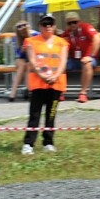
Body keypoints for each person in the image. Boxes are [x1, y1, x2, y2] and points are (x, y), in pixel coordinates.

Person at [21, 14, 68, 155]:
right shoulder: (31, 41)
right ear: (39, 26)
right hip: (38, 84)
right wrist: (42, 76)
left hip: (56, 84)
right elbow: (32, 61)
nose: (47, 26)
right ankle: (28, 144)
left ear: (54, 26)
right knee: (34, 114)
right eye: (44, 24)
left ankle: (48, 142)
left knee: (51, 115)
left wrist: (55, 76)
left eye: (50, 24)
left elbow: (63, 62)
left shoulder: (62, 43)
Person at [60, 11, 100, 103]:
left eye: (75, 22)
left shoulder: (86, 27)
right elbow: (59, 47)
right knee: (59, 65)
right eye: (70, 23)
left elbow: (97, 39)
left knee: (87, 64)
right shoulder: (66, 33)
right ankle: (60, 92)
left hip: (88, 58)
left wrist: (91, 56)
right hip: (73, 59)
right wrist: (62, 41)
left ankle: (83, 93)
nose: (72, 25)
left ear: (79, 22)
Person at [9, 20, 37, 102]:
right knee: (22, 65)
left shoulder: (35, 35)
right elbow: (18, 54)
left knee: (28, 65)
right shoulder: (15, 38)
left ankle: (28, 89)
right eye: (21, 32)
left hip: (33, 58)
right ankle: (13, 92)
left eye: (24, 31)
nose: (23, 32)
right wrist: (22, 50)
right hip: (20, 58)